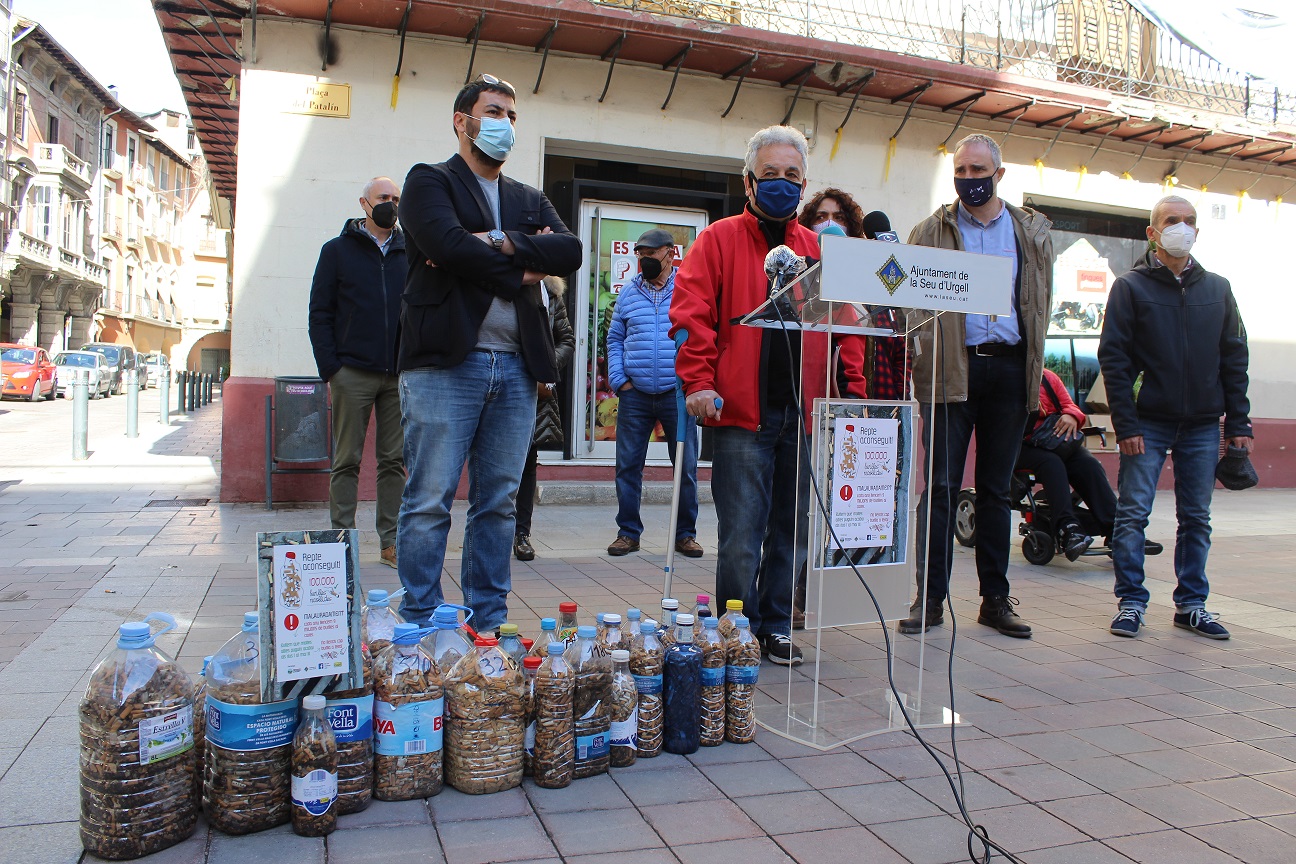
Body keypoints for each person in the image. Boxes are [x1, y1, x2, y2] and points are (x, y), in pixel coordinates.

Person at [670, 125, 868, 665]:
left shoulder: (818, 250)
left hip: (804, 415)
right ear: (748, 181)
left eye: (792, 175)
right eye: (770, 174)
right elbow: (692, 314)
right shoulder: (718, 240)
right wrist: (699, 382)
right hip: (741, 414)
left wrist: (852, 394)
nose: (782, 183)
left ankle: (777, 624)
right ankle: (738, 628)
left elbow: (848, 328)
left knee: (792, 529)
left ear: (804, 185)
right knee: (740, 534)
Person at [395, 74, 583, 631]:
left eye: (511, 116)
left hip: (518, 367)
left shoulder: (528, 197)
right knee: (429, 500)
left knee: (498, 502)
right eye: (494, 112)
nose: (505, 124)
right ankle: (421, 620)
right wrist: (525, 264)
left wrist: (496, 242)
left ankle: (486, 622)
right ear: (463, 121)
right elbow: (445, 245)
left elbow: (569, 251)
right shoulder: (429, 181)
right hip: (445, 364)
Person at [900, 133, 1054, 639]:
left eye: (978, 170)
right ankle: (929, 599)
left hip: (1009, 368)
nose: (969, 179)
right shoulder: (930, 230)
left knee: (995, 491)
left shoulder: (1030, 232)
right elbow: (908, 294)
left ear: (999, 174)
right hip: (951, 368)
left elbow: (1039, 302)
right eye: (961, 171)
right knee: (941, 488)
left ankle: (994, 601)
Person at [1099, 195, 1252, 639]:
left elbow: (1235, 358)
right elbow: (1114, 360)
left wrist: (1239, 423)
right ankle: (1131, 602)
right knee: (1132, 514)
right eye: (1171, 220)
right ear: (1152, 232)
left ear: (1197, 232)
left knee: (1197, 517)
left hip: (1203, 423)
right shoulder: (1130, 287)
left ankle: (1191, 605)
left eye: (1189, 221)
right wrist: (1126, 424)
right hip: (1147, 422)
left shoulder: (1218, 288)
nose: (1181, 228)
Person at [307, 176, 407, 569]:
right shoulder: (336, 251)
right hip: (351, 372)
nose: (390, 204)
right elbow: (320, 313)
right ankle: (341, 541)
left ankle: (391, 542)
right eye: (383, 197)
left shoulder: (410, 251)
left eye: (396, 198)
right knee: (346, 459)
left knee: (393, 460)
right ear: (364, 203)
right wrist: (331, 367)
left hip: (398, 373)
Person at [606, 228, 702, 559]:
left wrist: (692, 381)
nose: (644, 259)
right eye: (640, 254)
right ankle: (628, 533)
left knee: (685, 467)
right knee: (627, 466)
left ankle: (685, 534)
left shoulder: (688, 288)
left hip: (677, 395)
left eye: (650, 254)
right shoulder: (628, 293)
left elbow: (700, 335)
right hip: (635, 395)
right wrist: (619, 380)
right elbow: (614, 338)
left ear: (670, 254)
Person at [1018, 368, 1110, 560]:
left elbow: (1070, 405)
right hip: (1020, 445)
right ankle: (1068, 529)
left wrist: (1071, 415)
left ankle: (1117, 527)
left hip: (1052, 439)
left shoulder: (1047, 377)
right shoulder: (1009, 377)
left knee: (1088, 464)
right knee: (1052, 463)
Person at [514, 277, 576, 561]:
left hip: (535, 389)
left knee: (528, 461)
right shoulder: (496, 278)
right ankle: (491, 531)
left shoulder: (549, 293)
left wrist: (547, 367)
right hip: (497, 383)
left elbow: (566, 340)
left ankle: (521, 534)